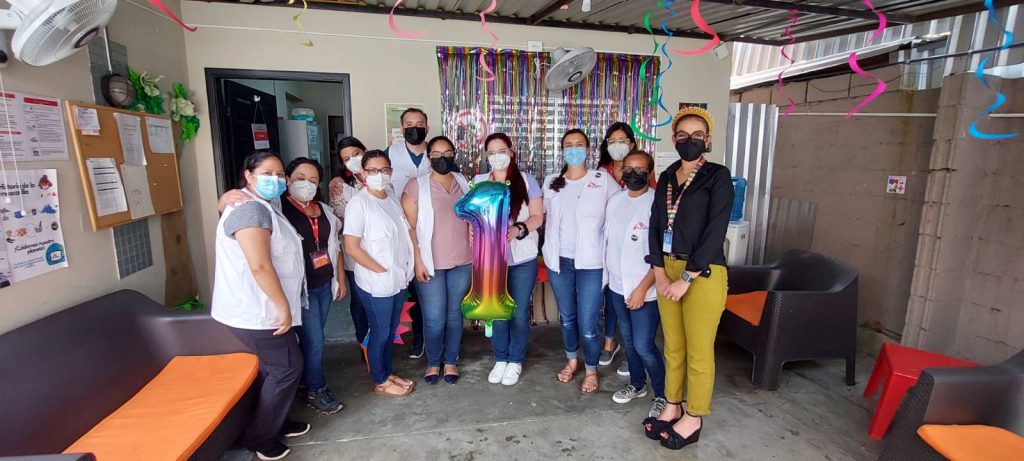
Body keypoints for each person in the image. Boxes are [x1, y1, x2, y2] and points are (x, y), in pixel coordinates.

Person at [211, 151, 310, 460]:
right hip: (257, 311)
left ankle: (276, 421)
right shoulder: (250, 209)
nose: (276, 180)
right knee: (286, 369)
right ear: (249, 176)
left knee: (273, 370)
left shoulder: (262, 204)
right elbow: (260, 266)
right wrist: (282, 308)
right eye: (268, 173)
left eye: (281, 175)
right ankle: (259, 438)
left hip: (260, 309)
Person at [645, 107, 733, 450]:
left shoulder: (717, 176)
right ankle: (672, 404)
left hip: (704, 274)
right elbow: (655, 226)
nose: (690, 141)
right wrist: (660, 275)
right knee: (673, 347)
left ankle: (694, 415)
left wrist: (688, 277)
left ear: (707, 140)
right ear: (674, 139)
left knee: (698, 351)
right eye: (683, 136)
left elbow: (716, 232)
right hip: (667, 270)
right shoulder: (666, 177)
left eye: (698, 136)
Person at [542, 129, 621, 394]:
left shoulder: (603, 180)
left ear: (587, 150)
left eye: (579, 145)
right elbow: (540, 217)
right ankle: (572, 360)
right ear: (562, 151)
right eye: (568, 145)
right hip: (559, 260)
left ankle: (591, 369)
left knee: (587, 322)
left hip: (591, 263)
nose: (573, 149)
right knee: (567, 317)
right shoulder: (552, 182)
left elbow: (619, 214)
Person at [343, 150, 417, 397]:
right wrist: (381, 271)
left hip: (397, 279)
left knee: (391, 328)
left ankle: (387, 372)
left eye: (385, 170)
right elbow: (352, 247)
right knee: (380, 330)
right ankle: (380, 381)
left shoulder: (392, 198)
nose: (380, 175)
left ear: (391, 173)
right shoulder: (359, 203)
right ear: (363, 173)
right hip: (377, 282)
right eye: (373, 171)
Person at [401, 136, 472, 385]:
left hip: (463, 261)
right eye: (436, 154)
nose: (443, 158)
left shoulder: (463, 183)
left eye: (447, 152)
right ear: (428, 157)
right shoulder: (416, 185)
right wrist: (417, 261)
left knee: (454, 314)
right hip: (429, 263)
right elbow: (409, 228)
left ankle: (450, 360)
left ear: (454, 154)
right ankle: (433, 363)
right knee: (433, 317)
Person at [474, 133, 544, 386]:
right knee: (498, 311)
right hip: (492, 260)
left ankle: (515, 360)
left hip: (522, 259)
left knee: (518, 312)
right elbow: (473, 217)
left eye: (501, 151)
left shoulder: (526, 181)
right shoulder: (479, 181)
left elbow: (537, 216)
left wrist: (518, 230)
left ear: (511, 152)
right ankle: (500, 359)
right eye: (491, 153)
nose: (496, 157)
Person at [603, 151, 666, 419]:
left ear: (650, 172)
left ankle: (665, 396)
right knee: (628, 341)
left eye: (640, 169)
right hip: (617, 287)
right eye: (628, 168)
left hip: (645, 290)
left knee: (644, 345)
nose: (632, 174)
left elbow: (661, 254)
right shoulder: (616, 201)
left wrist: (642, 288)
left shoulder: (657, 204)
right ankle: (638, 385)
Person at [281, 157, 346, 415]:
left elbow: (335, 247)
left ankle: (305, 380)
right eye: (300, 178)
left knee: (312, 338)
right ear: (287, 180)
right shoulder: (279, 209)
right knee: (315, 340)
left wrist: (340, 278)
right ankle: (315, 390)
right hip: (301, 288)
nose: (306, 184)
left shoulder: (324, 209)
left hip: (323, 283)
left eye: (312, 180)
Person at [594, 122, 640, 370]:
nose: (617, 146)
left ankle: (635, 352)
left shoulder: (642, 169)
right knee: (612, 296)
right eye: (612, 141)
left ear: (631, 144)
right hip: (608, 245)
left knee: (637, 300)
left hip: (636, 246)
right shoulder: (601, 172)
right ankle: (610, 343)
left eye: (622, 141)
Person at [387, 108, 432, 358]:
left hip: (430, 230)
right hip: (399, 230)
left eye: (420, 123)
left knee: (427, 285)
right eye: (409, 124)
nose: (414, 128)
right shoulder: (390, 154)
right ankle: (416, 336)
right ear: (401, 128)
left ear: (427, 127)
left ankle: (429, 337)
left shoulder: (436, 152)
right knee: (409, 288)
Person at [328, 136, 370, 345]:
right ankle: (365, 345)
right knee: (361, 301)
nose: (353, 160)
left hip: (384, 250)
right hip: (355, 253)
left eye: (356, 154)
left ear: (365, 151)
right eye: (346, 159)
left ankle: (383, 344)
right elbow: (337, 223)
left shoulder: (381, 177)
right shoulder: (340, 186)